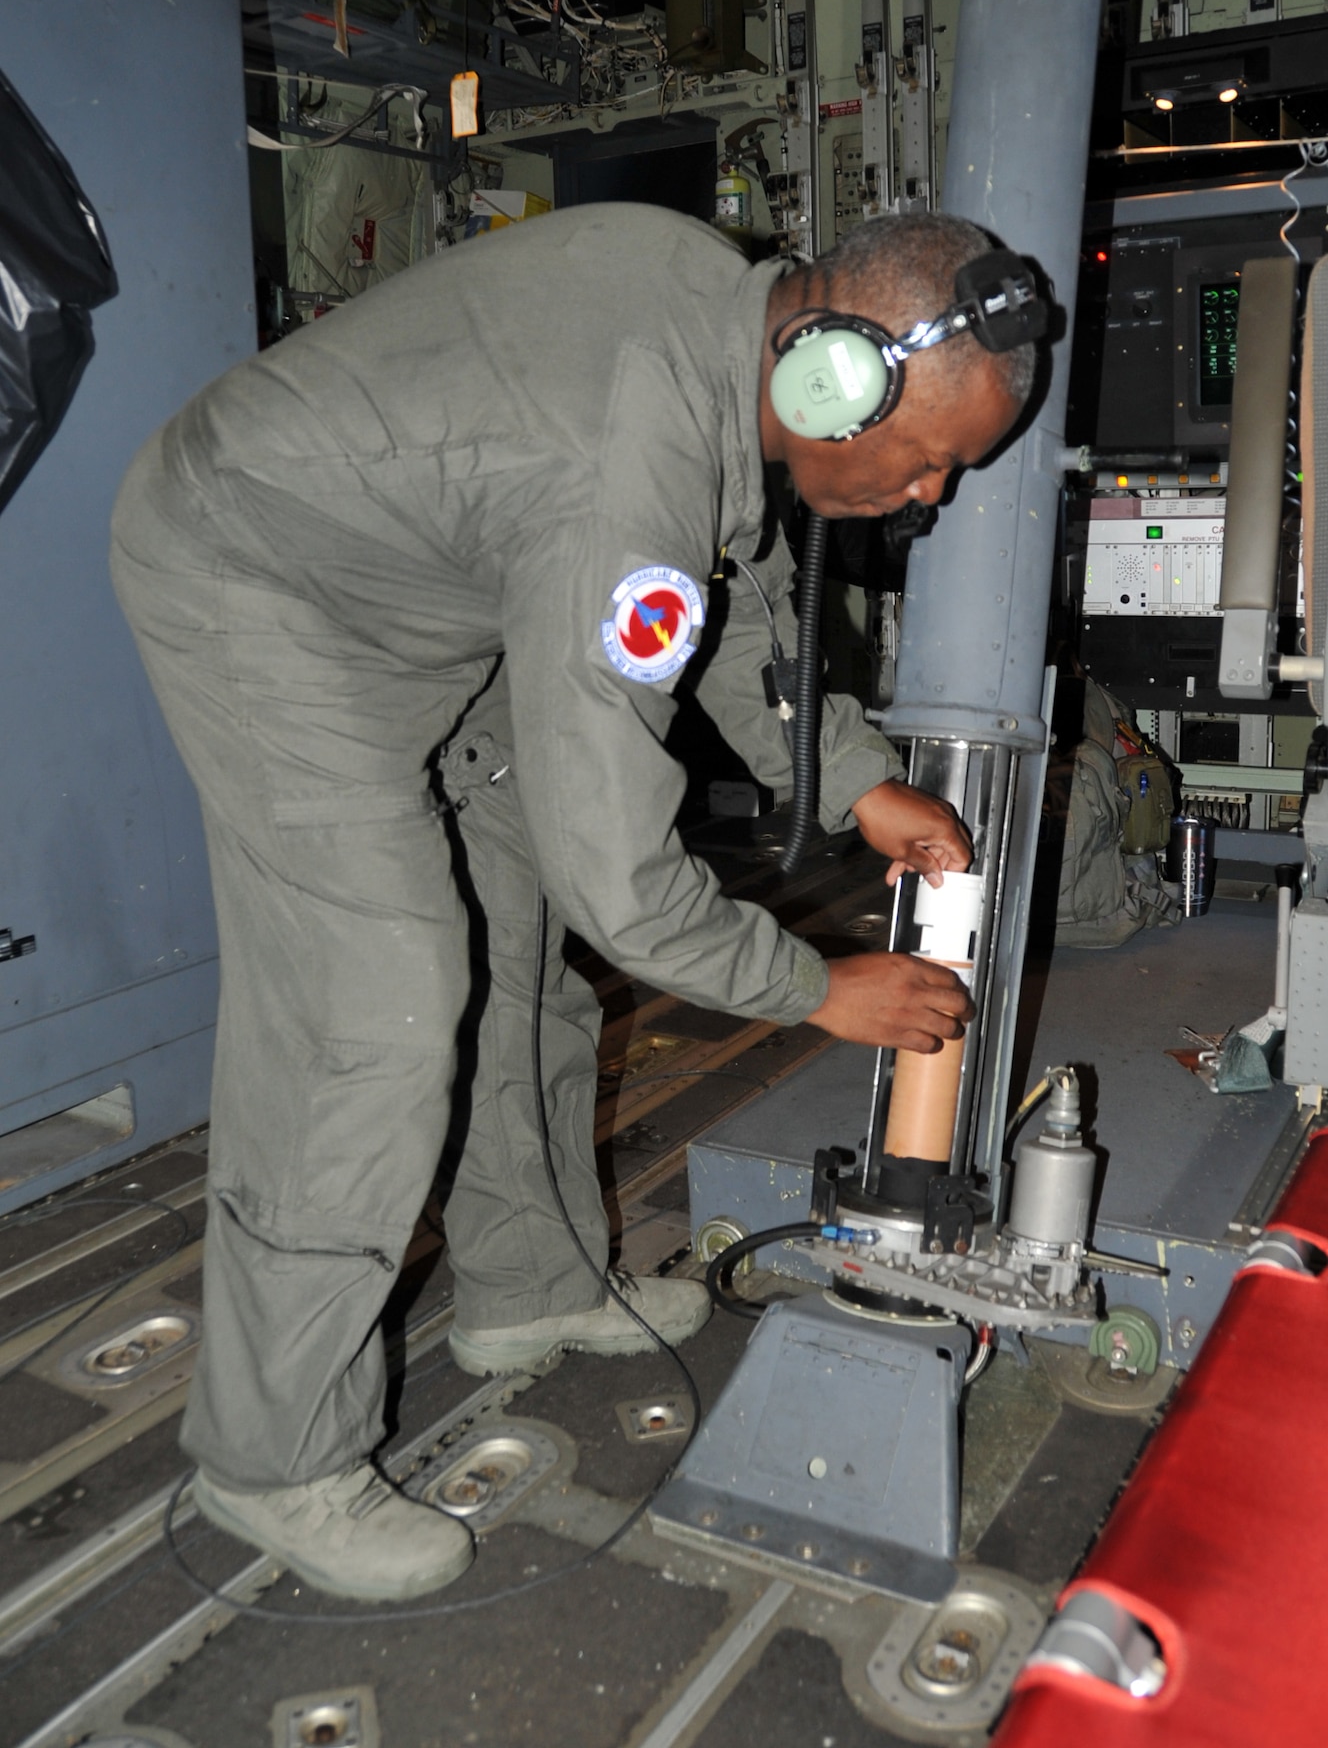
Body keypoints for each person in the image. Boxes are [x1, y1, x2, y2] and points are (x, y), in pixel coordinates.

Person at [110, 203, 1033, 1601]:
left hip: (430, 596)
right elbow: (629, 878)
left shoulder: (729, 329)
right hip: (255, 576)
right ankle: (269, 1457)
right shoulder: (623, 462)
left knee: (513, 925)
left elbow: (739, 585)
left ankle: (528, 1282)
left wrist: (854, 778)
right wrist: (814, 988)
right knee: (381, 1005)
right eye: (929, 465)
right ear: (832, 379)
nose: (930, 499)